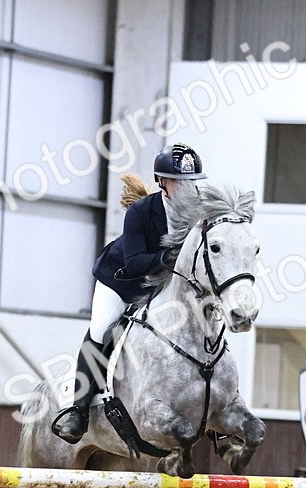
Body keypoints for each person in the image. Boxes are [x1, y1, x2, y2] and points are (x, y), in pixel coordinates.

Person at [50, 143, 206, 444]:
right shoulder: (140, 212)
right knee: (100, 331)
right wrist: (172, 257)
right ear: (162, 181)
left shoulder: (201, 211)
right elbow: (135, 263)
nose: (187, 187)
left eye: (192, 180)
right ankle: (78, 412)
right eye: (179, 181)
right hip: (122, 281)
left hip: (162, 286)